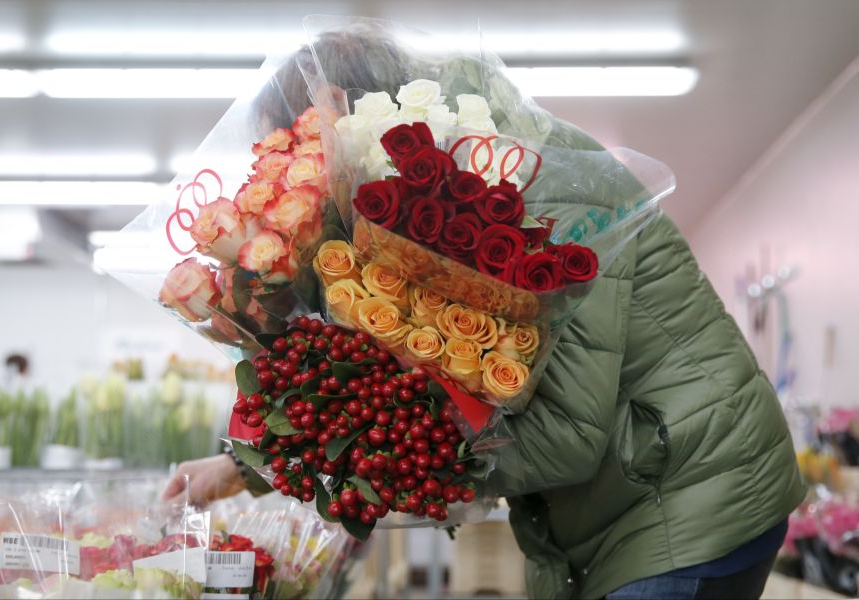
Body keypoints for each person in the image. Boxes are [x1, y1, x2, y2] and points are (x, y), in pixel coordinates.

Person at [164, 25, 805, 600]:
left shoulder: (535, 179)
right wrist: (249, 467)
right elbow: (376, 385)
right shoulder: (409, 199)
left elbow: (569, 435)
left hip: (689, 489)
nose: (301, 173)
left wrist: (391, 465)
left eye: (304, 144)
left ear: (337, 107)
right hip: (627, 501)